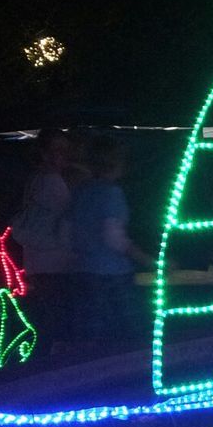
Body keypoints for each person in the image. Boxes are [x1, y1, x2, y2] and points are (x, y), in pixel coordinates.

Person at [69, 137, 155, 345]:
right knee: (127, 328)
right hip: (113, 273)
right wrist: (147, 260)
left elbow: (68, 229)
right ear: (116, 163)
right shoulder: (111, 193)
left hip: (85, 268)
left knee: (92, 329)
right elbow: (114, 238)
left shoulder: (81, 192)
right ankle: (129, 369)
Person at [11, 130, 75, 349]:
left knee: (46, 313)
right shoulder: (51, 181)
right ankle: (54, 358)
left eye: (65, 150)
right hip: (52, 260)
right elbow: (69, 214)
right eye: (57, 150)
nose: (63, 156)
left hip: (37, 259)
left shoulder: (36, 179)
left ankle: (47, 354)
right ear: (44, 153)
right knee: (55, 316)